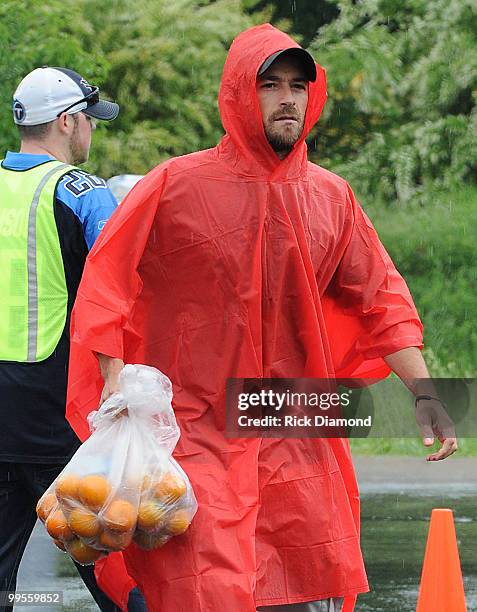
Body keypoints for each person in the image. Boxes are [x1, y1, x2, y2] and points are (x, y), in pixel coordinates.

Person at [66, 24, 457, 612]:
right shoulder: (175, 185)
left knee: (303, 583)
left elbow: (381, 300)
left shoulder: (331, 197)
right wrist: (115, 378)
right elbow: (106, 281)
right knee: (207, 588)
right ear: (238, 95)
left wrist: (425, 390)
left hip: (295, 431)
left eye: (298, 85)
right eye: (269, 84)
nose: (287, 98)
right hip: (194, 429)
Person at [0, 66, 145, 611]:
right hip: (61, 410)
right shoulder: (80, 191)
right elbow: (123, 287)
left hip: (2, 412)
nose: (90, 132)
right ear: (66, 122)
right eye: (88, 120)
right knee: (113, 555)